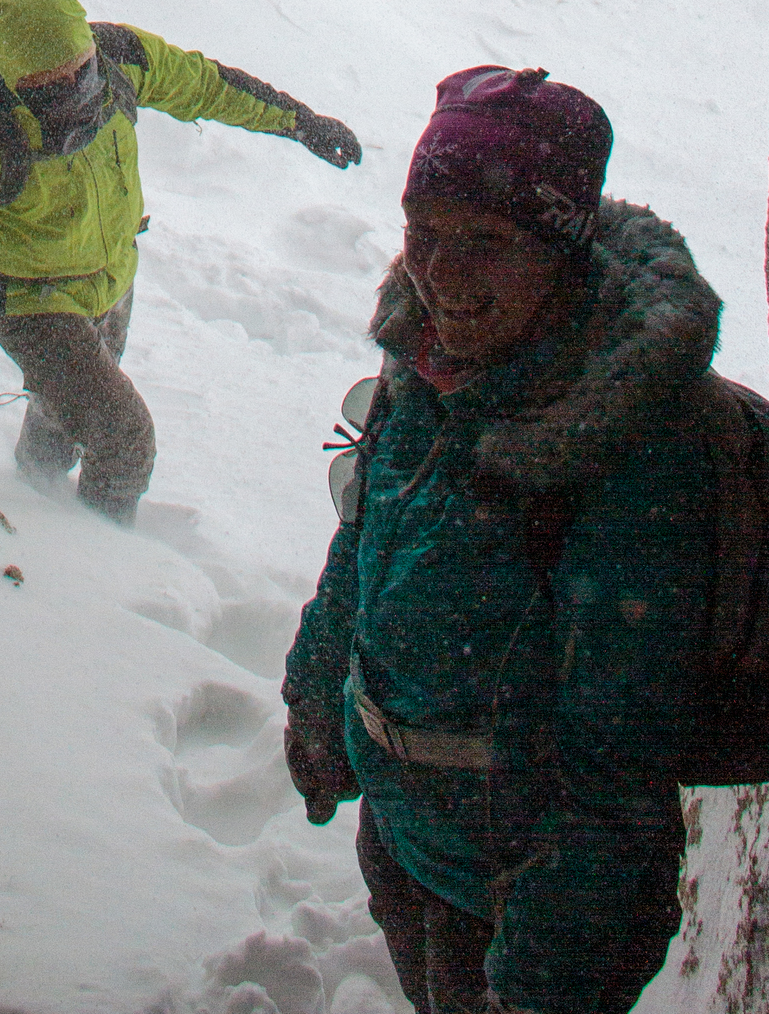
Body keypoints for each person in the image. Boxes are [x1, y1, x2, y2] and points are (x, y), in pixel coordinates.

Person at [281, 65, 719, 1014]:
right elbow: (364, 546)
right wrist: (318, 695)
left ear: (560, 252)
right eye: (423, 235)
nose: (440, 273)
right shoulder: (427, 369)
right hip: (406, 833)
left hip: (511, 892)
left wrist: (547, 983)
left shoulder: (620, 449)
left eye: (483, 240)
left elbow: (616, 779)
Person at [0, 0, 363, 520]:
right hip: (30, 300)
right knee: (123, 441)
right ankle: (96, 566)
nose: (74, 88)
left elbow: (206, 85)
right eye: (50, 83)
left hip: (111, 277)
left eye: (79, 70)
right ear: (15, 79)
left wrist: (300, 123)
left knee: (64, 422)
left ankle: (32, 495)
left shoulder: (117, 60)